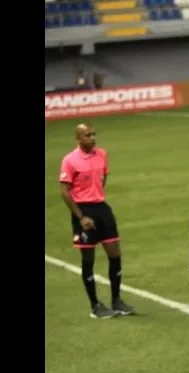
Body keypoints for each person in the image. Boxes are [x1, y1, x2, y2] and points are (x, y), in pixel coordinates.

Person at [59, 123, 135, 319]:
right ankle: (95, 305)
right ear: (78, 139)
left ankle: (116, 300)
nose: (93, 138)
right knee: (88, 260)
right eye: (87, 135)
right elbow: (65, 192)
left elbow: (102, 180)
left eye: (93, 134)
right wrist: (81, 216)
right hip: (83, 210)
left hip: (102, 207)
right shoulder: (70, 160)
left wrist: (96, 195)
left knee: (115, 253)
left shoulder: (101, 154)